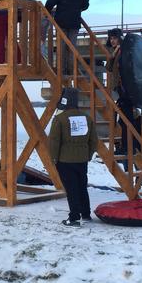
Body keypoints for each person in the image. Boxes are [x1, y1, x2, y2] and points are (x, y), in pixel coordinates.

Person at [49, 87, 98, 227]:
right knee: (82, 186)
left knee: (71, 189)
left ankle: (74, 217)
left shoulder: (60, 119)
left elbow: (54, 141)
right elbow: (94, 141)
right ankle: (86, 213)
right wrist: (88, 155)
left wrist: (54, 158)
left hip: (65, 160)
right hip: (82, 159)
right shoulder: (87, 118)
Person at [45, 0, 89, 75]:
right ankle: (72, 71)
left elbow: (50, 3)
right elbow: (86, 5)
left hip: (61, 23)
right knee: (72, 48)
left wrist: (47, 12)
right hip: (75, 23)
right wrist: (76, 9)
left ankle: (62, 71)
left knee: (62, 48)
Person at [106, 28, 135, 162]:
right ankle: (126, 147)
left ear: (120, 38)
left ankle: (129, 148)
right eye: (111, 38)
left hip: (126, 91)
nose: (112, 40)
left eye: (114, 38)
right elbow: (108, 67)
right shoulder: (116, 51)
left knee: (126, 121)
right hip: (121, 91)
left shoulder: (124, 51)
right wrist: (113, 55)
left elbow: (126, 69)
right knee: (122, 121)